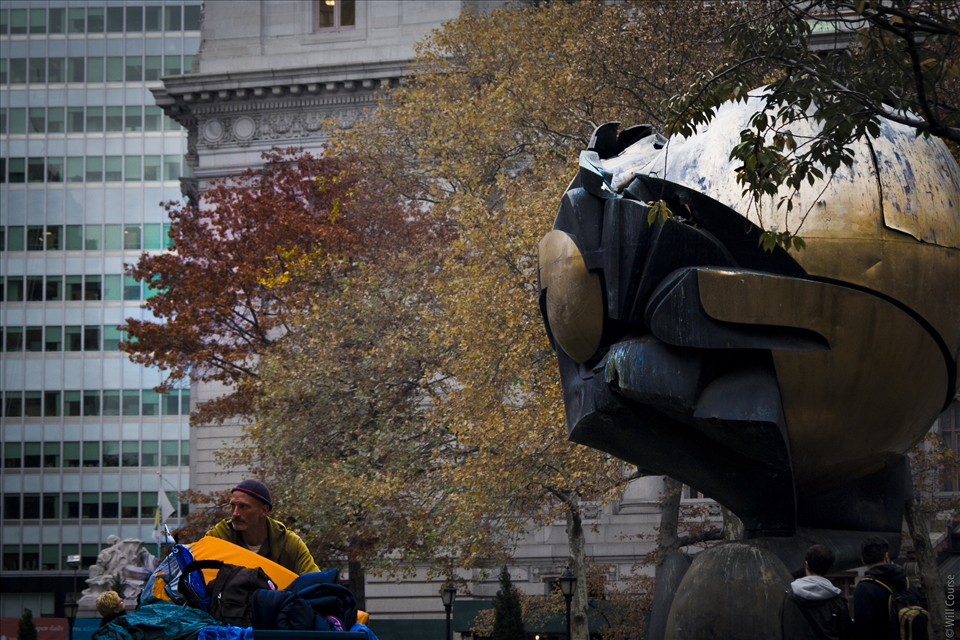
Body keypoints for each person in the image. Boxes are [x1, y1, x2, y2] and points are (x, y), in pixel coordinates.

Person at [205, 479, 319, 575]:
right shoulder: (217, 538)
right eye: (232, 506)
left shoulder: (289, 544)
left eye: (243, 506)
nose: (235, 513)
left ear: (263, 510)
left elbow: (315, 583)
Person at [853, 535, 921, 640]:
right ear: (887, 556)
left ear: (863, 560)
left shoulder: (865, 588)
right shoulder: (907, 583)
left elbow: (862, 630)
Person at [780, 544, 853, 639]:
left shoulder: (789, 597)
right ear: (829, 569)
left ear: (806, 565)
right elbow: (846, 634)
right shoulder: (837, 601)